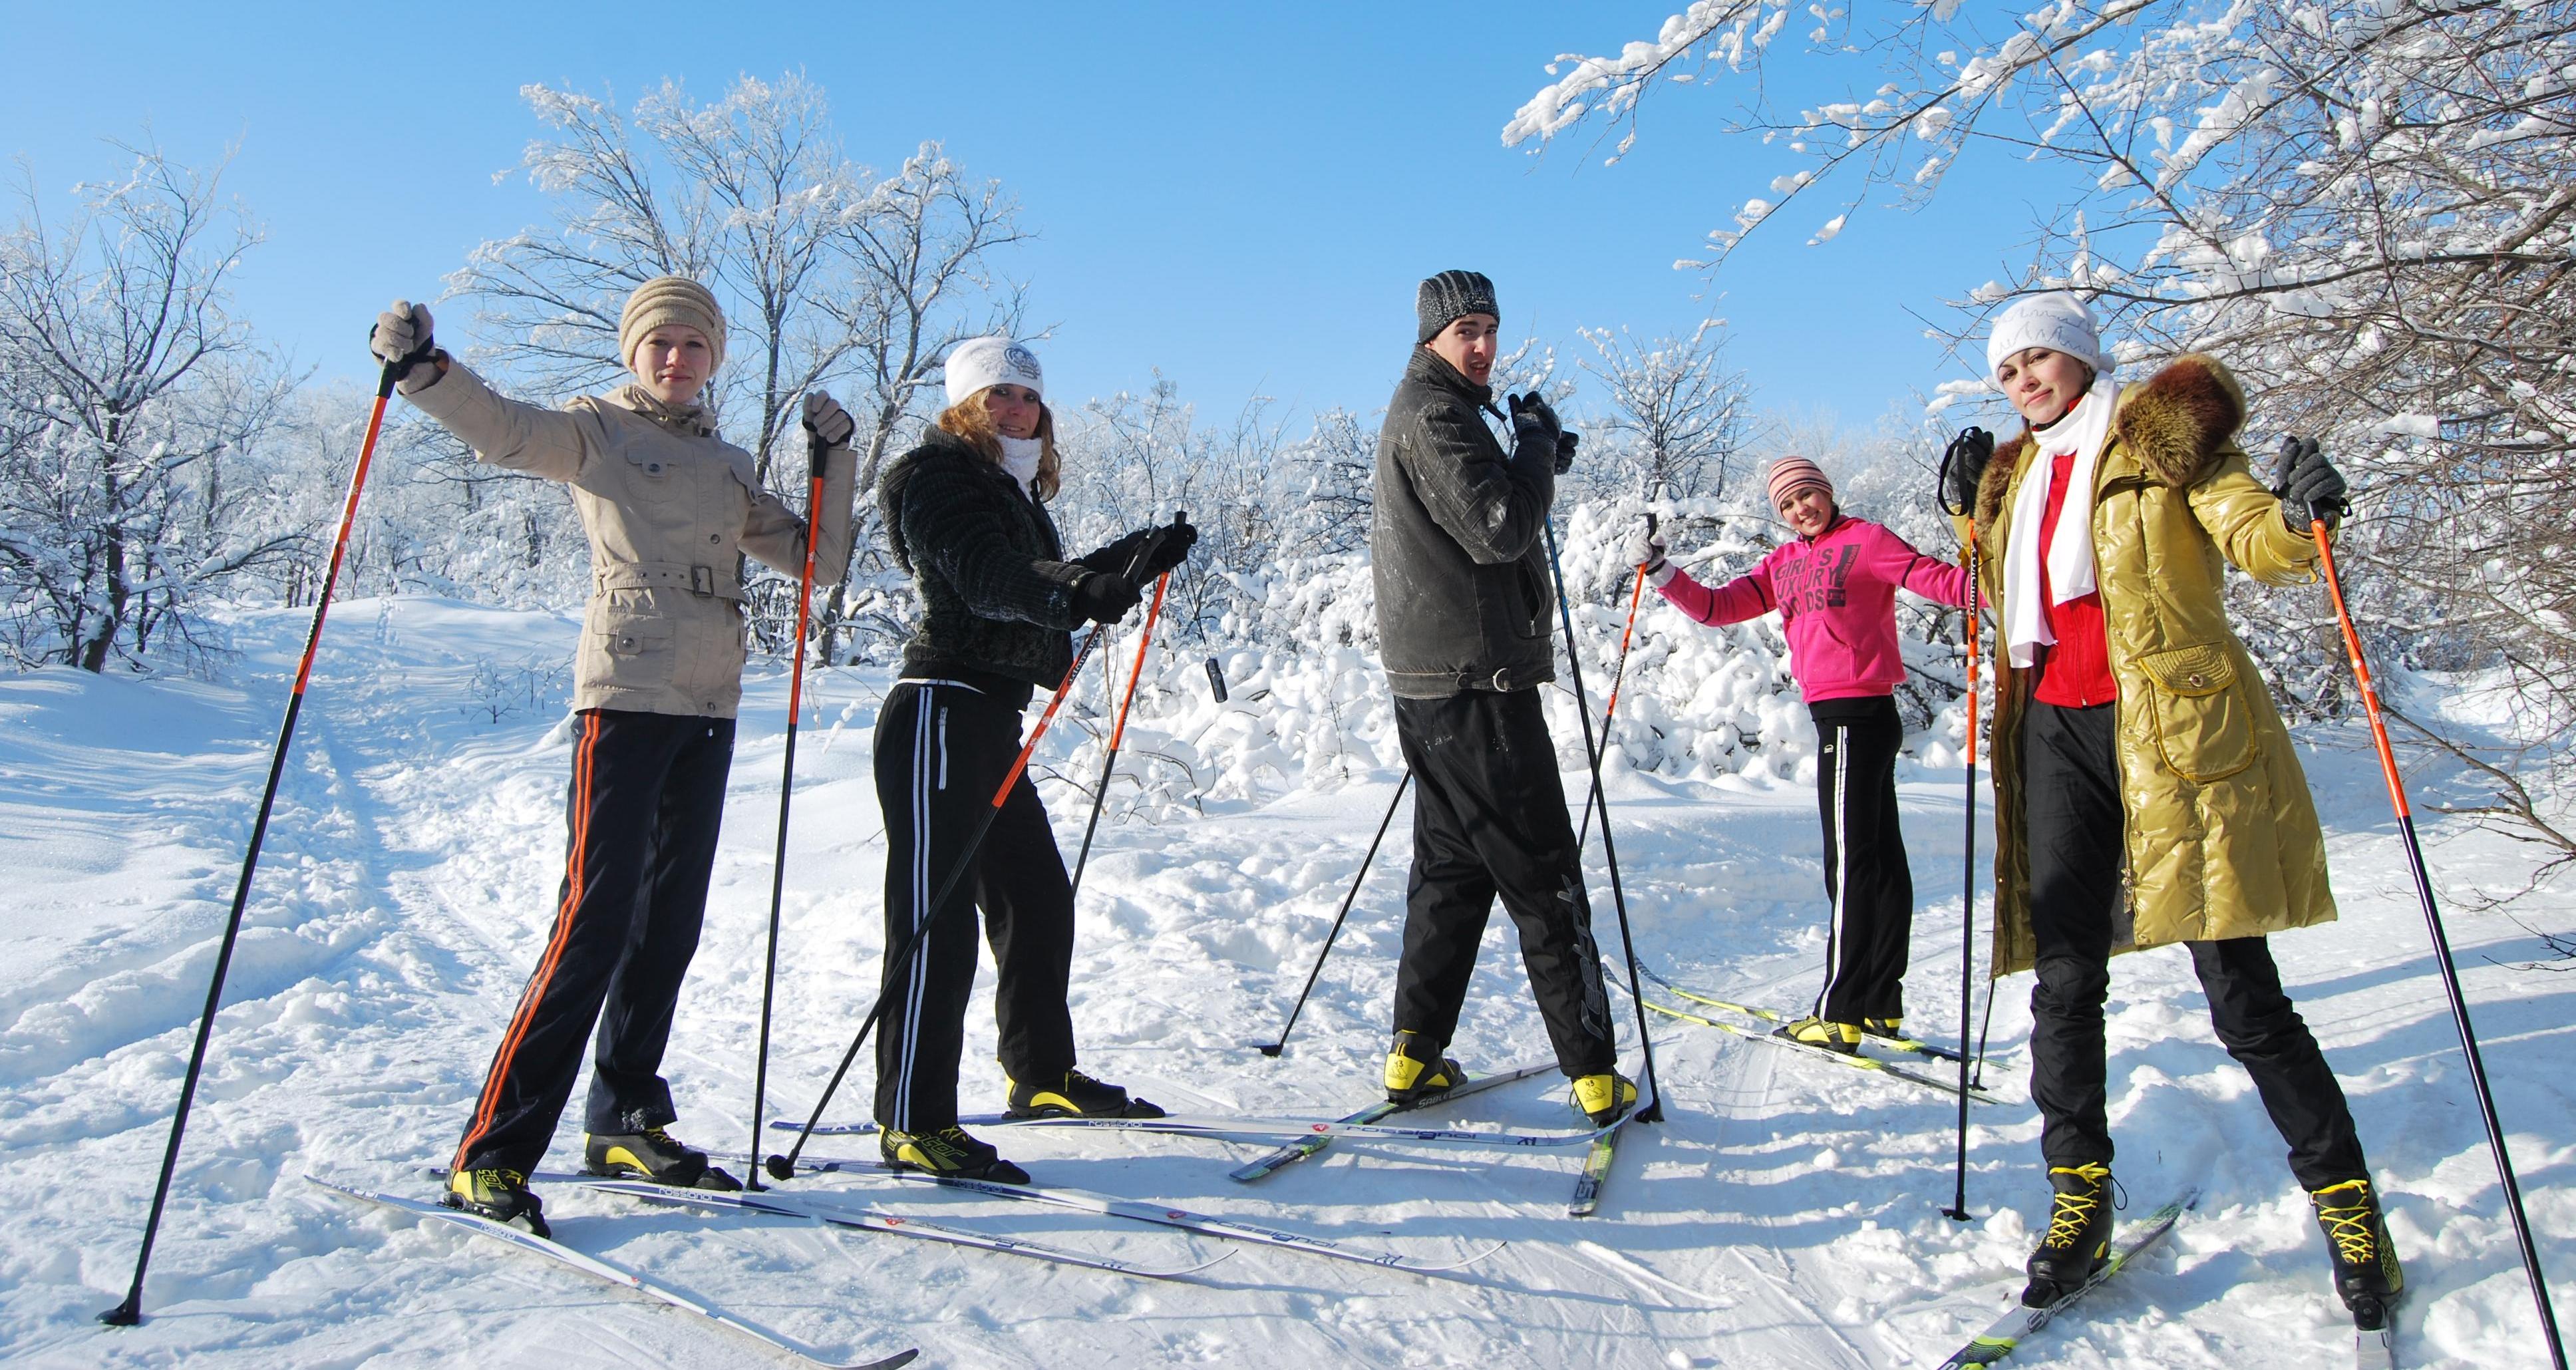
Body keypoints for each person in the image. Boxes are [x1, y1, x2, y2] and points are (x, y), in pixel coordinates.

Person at [1941, 291, 2398, 1325]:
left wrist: (2300, 516)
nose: (2023, 383)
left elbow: (2252, 533)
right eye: (2007, 371)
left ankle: (2349, 1204)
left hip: (2169, 731)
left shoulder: (2160, 441)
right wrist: (1969, 513)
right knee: (2064, 982)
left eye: (2039, 361)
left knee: (2239, 987)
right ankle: (2078, 1196)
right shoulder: (2016, 473)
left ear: (2082, 358)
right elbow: (2007, 586)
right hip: (2053, 733)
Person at [368, 277, 857, 1235]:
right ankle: (492, 1151)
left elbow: (820, 562)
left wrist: (834, 460)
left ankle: (625, 1116)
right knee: (591, 923)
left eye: (694, 345)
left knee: (666, 923)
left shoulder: (719, 459)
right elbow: (505, 429)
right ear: (635, 353)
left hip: (710, 703)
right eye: (659, 343)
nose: (676, 359)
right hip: (626, 699)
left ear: (715, 356)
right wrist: (426, 369)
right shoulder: (595, 430)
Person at [871, 335, 1196, 1183]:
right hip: (938, 712)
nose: (1014, 407)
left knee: (1035, 901)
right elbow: (985, 574)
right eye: (996, 394)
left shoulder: (1007, 489)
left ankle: (1041, 1076)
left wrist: (1129, 556)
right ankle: (912, 1117)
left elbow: (1031, 569)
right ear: (962, 406)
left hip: (988, 720)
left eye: (1026, 395)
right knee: (934, 922)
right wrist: (1071, 590)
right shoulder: (933, 475)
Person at [1369, 269, 1635, 1126]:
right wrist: (1528, 453)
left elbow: (1485, 507)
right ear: (1429, 339)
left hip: (1438, 682)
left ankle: (1412, 1056)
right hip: (1477, 682)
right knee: (1542, 873)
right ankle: (1594, 1073)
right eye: (1464, 332)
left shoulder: (1445, 409)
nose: (1481, 346)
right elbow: (1499, 529)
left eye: (1488, 328)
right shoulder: (1435, 412)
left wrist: (1532, 457)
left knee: (1450, 872)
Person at [1627, 458, 1969, 1053]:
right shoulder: (1785, 563)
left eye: (1807, 495)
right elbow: (1717, 607)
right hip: (1838, 718)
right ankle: (1881, 1002)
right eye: (1787, 504)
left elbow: (1939, 580)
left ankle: (1842, 1010)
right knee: (1880, 858)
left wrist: (1990, 560)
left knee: (1850, 859)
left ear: (1826, 493)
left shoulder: (1867, 541)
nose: (1799, 509)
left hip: (1861, 714)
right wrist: (1660, 570)